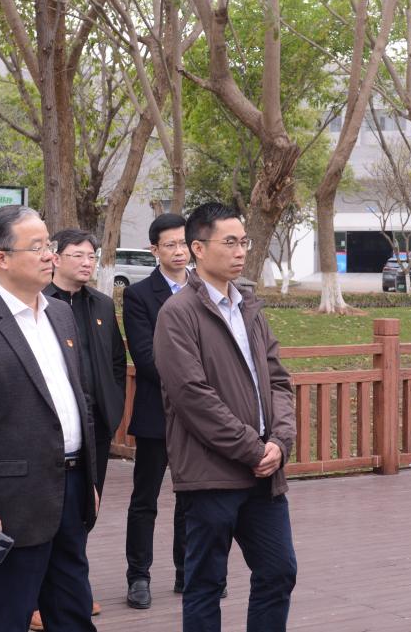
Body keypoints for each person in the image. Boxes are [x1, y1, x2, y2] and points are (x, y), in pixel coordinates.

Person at [0, 205, 100, 632]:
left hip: (71, 489)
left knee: (74, 614)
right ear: (2, 258)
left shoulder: (60, 314)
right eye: (37, 247)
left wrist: (88, 477)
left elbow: (78, 402)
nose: (50, 255)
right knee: (7, 618)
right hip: (11, 504)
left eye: (50, 244)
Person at [153, 202, 297, 632]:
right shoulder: (178, 313)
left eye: (244, 242)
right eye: (229, 242)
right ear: (198, 248)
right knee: (205, 584)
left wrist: (280, 442)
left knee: (278, 571)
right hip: (211, 473)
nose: (240, 251)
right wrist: (252, 448)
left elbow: (278, 380)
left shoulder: (249, 307)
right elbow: (192, 396)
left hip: (264, 472)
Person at [30, 228, 126, 630]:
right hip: (51, 427)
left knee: (85, 508)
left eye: (92, 256)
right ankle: (36, 597)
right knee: (45, 510)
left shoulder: (101, 304)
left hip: (94, 426)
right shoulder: (39, 302)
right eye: (79, 255)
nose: (87, 263)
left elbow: (117, 361)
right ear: (56, 257)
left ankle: (71, 589)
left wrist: (112, 408)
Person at [122, 213, 197, 609]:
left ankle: (188, 573)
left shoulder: (204, 289)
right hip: (158, 413)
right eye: (170, 244)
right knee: (145, 499)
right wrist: (195, 383)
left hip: (200, 418)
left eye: (184, 243)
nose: (179, 251)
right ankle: (139, 576)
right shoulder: (138, 296)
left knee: (192, 498)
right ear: (154, 249)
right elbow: (146, 357)